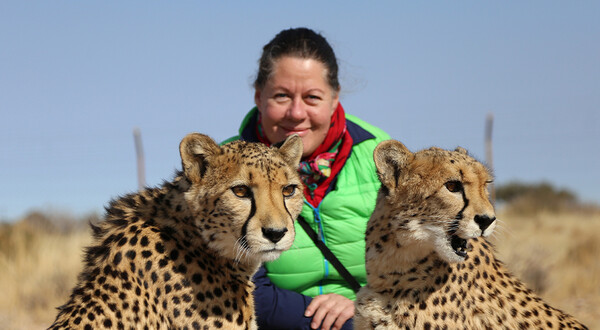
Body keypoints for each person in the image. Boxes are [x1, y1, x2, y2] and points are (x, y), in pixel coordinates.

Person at [223, 27, 390, 330]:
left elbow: (430, 268)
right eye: (281, 96)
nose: (296, 113)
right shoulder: (221, 169)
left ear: (335, 98)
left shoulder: (383, 157)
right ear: (259, 96)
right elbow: (242, 292)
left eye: (312, 97)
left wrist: (365, 308)